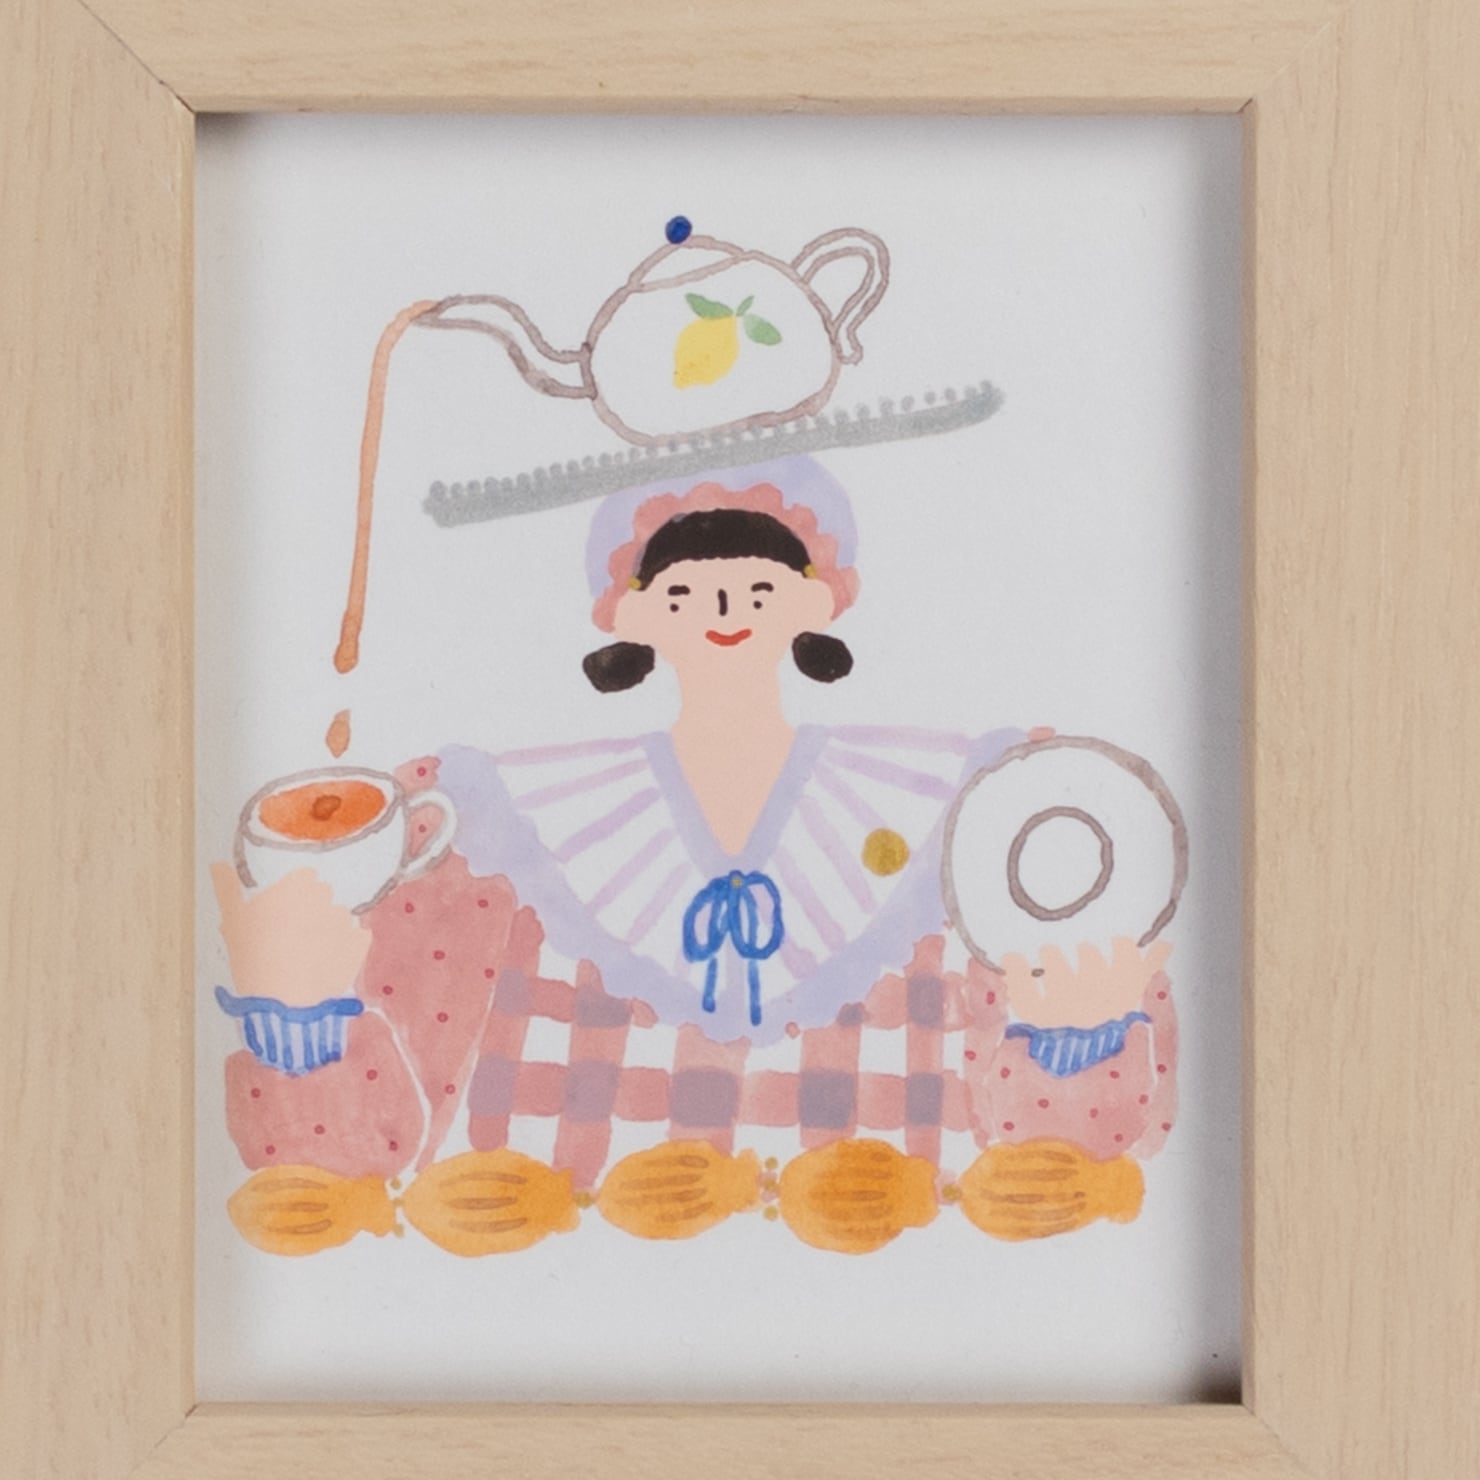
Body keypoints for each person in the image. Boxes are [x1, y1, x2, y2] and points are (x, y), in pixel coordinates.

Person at [219, 455, 1178, 1255]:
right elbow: (351, 1169)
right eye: (679, 589)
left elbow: (1068, 1175)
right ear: (627, 616)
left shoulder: (969, 803)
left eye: (760, 585)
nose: (723, 604)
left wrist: (1078, 1033)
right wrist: (301, 1006)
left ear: (819, 600)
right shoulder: (496, 819)